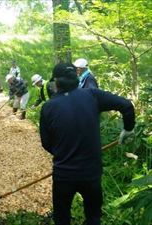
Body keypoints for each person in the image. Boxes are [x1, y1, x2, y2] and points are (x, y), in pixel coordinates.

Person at [40, 63, 135, 225]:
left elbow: (46, 143)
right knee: (93, 217)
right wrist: (128, 129)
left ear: (56, 82)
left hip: (64, 174)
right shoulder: (92, 95)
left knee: (62, 219)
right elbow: (126, 105)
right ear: (76, 77)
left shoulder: (48, 107)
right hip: (91, 173)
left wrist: (63, 151)